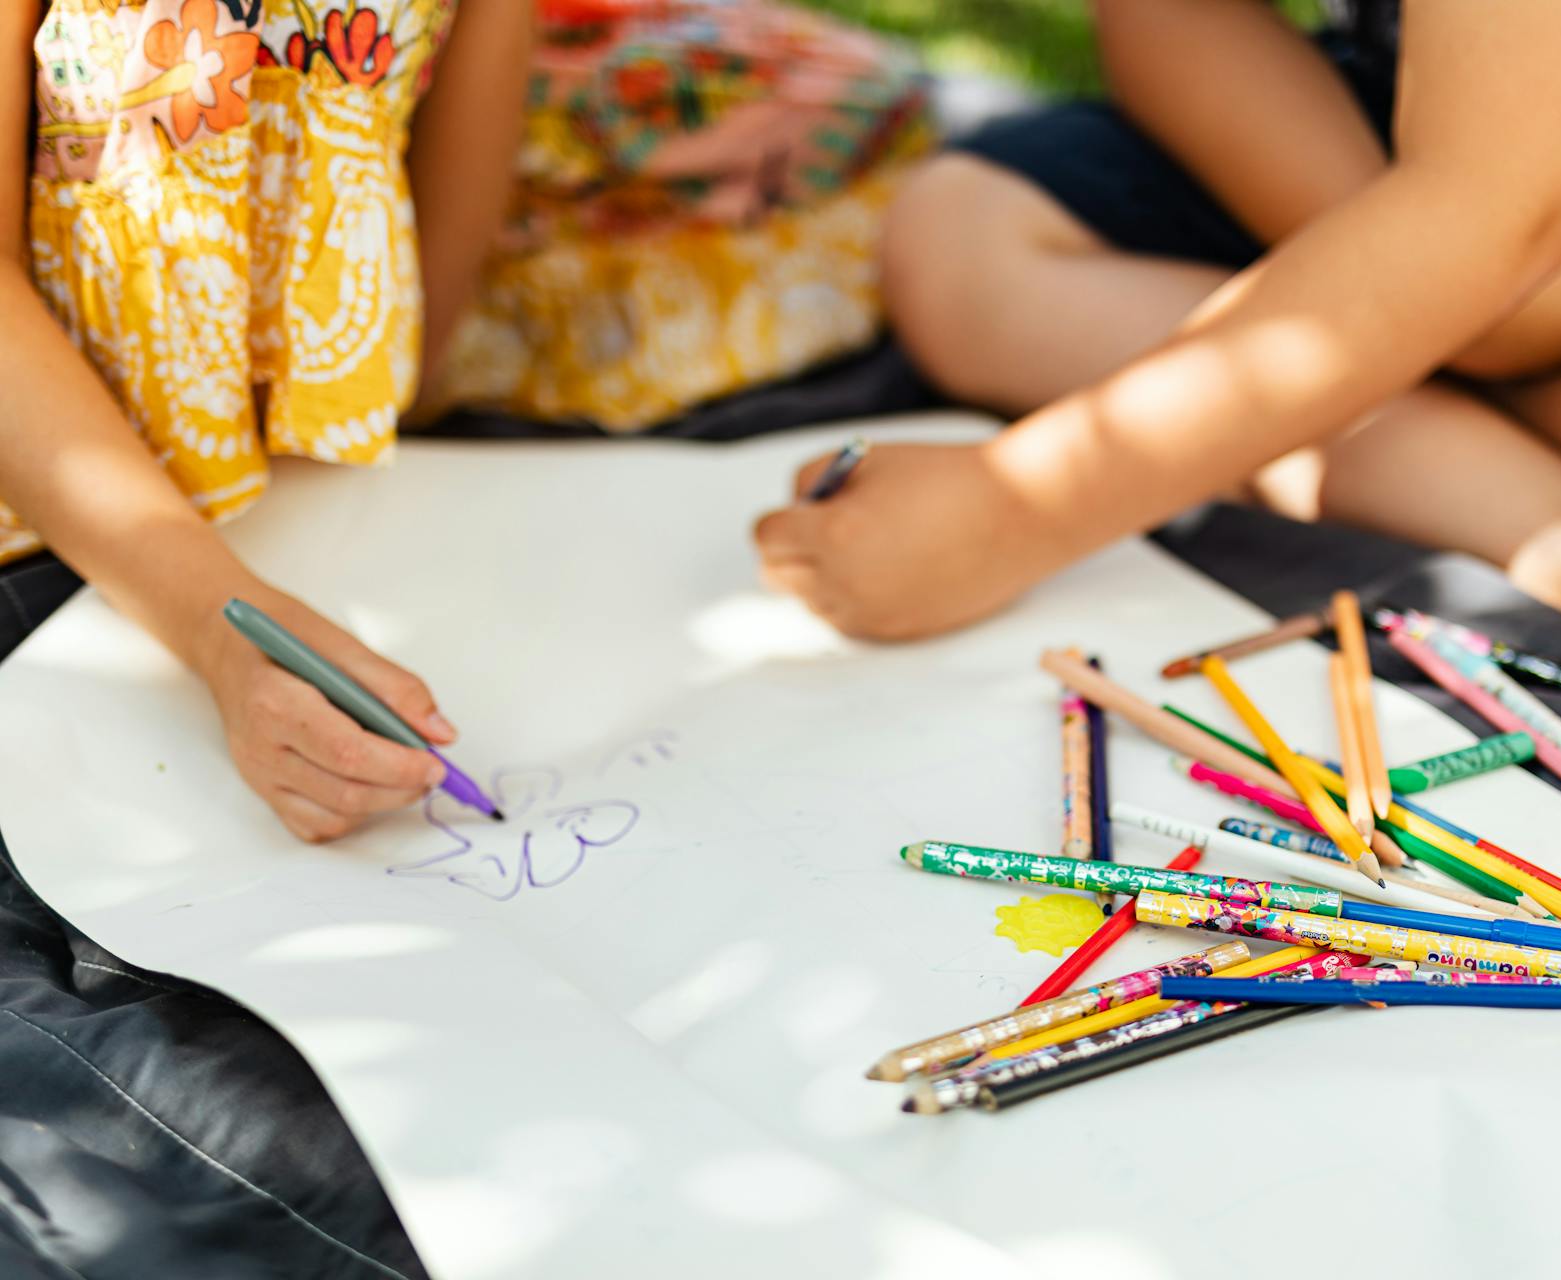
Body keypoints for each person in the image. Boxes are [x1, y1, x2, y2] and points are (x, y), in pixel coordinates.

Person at [754, 0, 1561, 776]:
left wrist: (1019, 504)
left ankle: (1410, 343)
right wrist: (1442, 279)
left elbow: (1495, 199)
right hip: (1412, 151)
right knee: (965, 247)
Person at [0, 0, 926, 839]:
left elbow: (438, 263)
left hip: (314, 473)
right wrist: (213, 620)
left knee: (865, 128)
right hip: (50, 478)